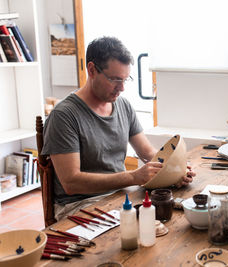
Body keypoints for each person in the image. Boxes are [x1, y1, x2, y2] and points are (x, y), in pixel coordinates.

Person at [41, 36, 195, 220]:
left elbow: (146, 152)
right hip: (79, 205)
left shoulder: (123, 106)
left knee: (173, 216)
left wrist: (174, 170)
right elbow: (71, 183)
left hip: (120, 195)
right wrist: (133, 177)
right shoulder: (64, 116)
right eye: (114, 79)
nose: (121, 88)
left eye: (125, 79)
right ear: (92, 70)